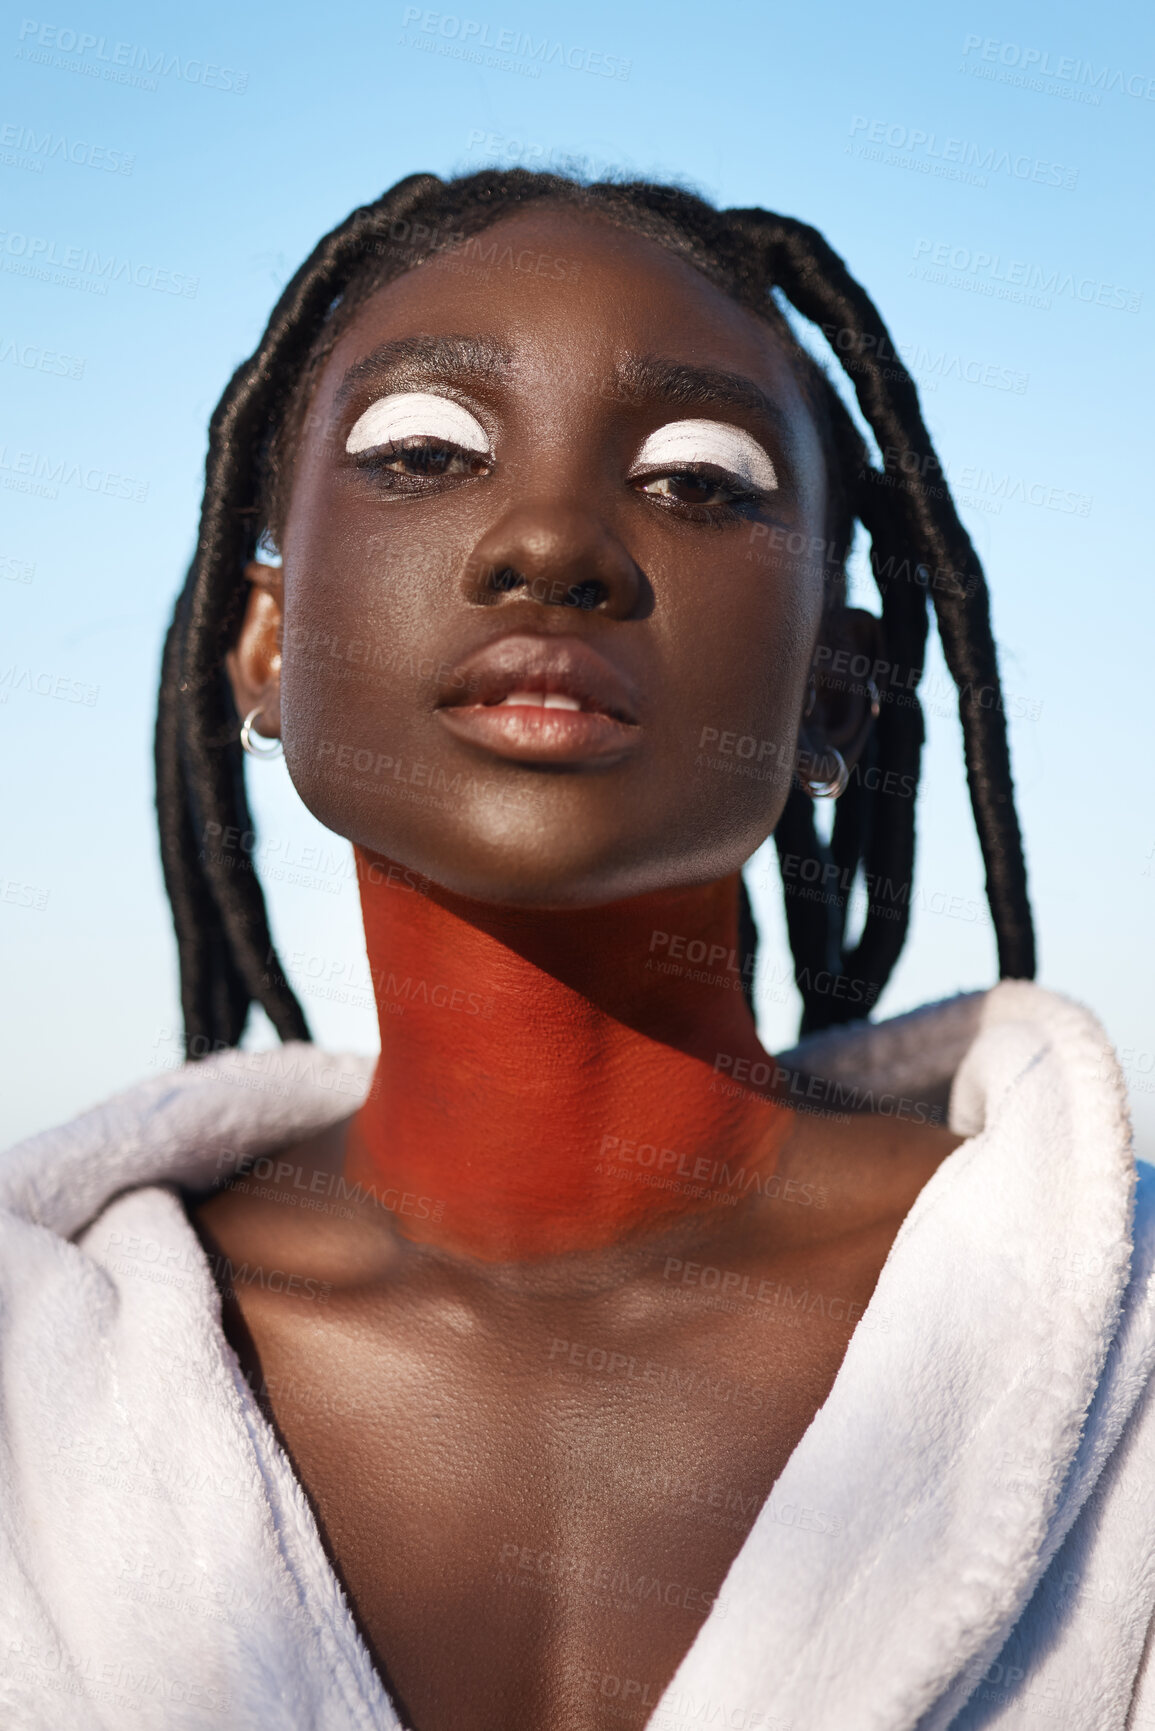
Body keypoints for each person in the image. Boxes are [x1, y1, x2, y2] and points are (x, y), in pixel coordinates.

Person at [1, 170, 1151, 1731]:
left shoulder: (1127, 1357)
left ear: (837, 689)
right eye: (423, 454)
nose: (551, 543)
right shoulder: (34, 1385)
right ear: (267, 646)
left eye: (697, 481)